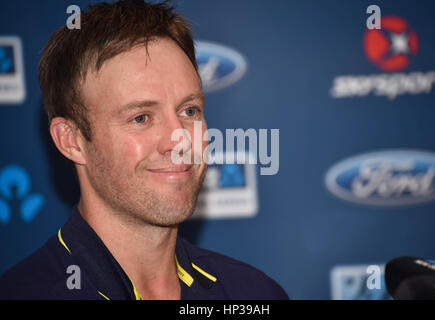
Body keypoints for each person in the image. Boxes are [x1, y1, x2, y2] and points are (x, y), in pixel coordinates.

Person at [0, 0, 288, 300]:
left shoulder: (253, 294)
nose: (180, 141)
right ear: (71, 140)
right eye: (141, 118)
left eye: (190, 111)